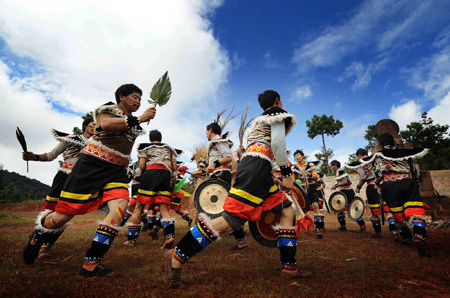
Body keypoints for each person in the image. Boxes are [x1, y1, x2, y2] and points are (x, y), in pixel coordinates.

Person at [162, 90, 310, 289]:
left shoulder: (256, 123)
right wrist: (288, 174)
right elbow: (277, 143)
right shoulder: (277, 115)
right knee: (231, 220)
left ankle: (289, 267)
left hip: (259, 170)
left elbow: (252, 150)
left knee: (286, 209)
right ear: (277, 101)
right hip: (256, 169)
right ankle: (176, 256)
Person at [23, 83, 156, 277]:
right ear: (121, 96)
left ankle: (91, 264)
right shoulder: (107, 110)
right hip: (91, 167)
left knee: (119, 208)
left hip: (116, 171)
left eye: (140, 99)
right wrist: (140, 118)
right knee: (61, 218)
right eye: (134, 97)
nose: (138, 102)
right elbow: (107, 125)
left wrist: (137, 122)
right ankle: (38, 235)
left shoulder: (133, 122)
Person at [22, 117, 95, 258]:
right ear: (85, 125)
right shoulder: (71, 139)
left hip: (81, 182)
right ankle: (36, 240)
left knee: (65, 215)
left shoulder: (98, 145)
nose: (95, 127)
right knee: (50, 211)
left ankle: (45, 246)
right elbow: (51, 155)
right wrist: (33, 157)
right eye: (93, 124)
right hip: (64, 178)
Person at [371, 133, 430, 257]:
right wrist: (415, 183)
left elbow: (377, 173)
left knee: (397, 216)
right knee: (416, 211)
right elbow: (415, 171)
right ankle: (420, 236)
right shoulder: (405, 153)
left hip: (389, 186)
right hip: (407, 182)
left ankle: (408, 238)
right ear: (393, 142)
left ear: (380, 143)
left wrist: (377, 184)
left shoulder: (378, 156)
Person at [192, 122, 248, 250]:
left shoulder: (219, 140)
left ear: (210, 130)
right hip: (217, 175)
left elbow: (228, 158)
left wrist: (214, 164)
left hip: (222, 176)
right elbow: (213, 166)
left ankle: (198, 238)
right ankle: (241, 240)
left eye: (206, 132)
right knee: (220, 208)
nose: (206, 134)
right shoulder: (214, 144)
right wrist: (201, 172)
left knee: (212, 207)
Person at [124, 130, 179, 249]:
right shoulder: (170, 150)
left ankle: (131, 240)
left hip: (150, 174)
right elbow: (174, 167)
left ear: (150, 139)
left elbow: (142, 166)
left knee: (139, 206)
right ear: (161, 138)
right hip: (165, 176)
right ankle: (169, 236)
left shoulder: (145, 147)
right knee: (164, 209)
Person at [352, 148, 399, 238]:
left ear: (359, 156)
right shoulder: (376, 159)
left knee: (374, 211)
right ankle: (394, 231)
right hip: (385, 184)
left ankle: (378, 232)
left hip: (372, 186)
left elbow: (363, 178)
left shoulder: (361, 163)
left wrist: (358, 187)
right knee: (389, 209)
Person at [292, 150, 324, 238]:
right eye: (295, 156)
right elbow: (292, 179)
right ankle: (304, 226)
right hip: (301, 189)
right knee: (302, 209)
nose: (297, 157)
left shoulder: (311, 165)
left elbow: (315, 177)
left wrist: (309, 175)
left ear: (302, 156)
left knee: (315, 206)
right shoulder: (294, 167)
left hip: (312, 187)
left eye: (298, 155)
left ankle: (319, 228)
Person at [330, 160, 366, 232]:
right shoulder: (342, 172)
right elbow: (349, 182)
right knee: (341, 210)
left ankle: (362, 226)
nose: (331, 168)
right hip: (348, 191)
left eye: (332, 166)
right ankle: (344, 226)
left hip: (345, 192)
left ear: (335, 165)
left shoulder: (340, 172)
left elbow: (346, 182)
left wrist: (336, 185)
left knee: (349, 208)